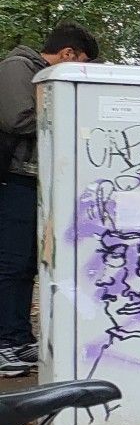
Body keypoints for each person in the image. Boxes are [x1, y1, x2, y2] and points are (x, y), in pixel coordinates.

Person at [0, 23, 101, 376]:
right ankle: (6, 344)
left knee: (27, 262)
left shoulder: (35, 72)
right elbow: (18, 119)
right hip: (13, 179)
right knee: (12, 263)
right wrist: (71, 116)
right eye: (80, 62)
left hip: (32, 179)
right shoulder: (18, 68)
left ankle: (18, 337)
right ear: (68, 55)